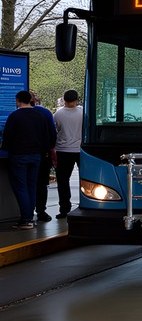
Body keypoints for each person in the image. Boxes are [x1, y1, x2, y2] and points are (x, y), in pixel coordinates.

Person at [2, 90, 56, 229]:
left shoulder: (14, 116)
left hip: (19, 156)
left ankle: (26, 220)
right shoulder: (40, 115)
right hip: (36, 156)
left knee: (21, 187)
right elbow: (47, 137)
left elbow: (7, 137)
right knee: (32, 186)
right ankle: (30, 217)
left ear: (18, 100)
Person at [53, 89, 83, 219]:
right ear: (77, 99)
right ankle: (86, 204)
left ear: (64, 100)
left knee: (63, 181)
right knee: (86, 179)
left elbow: (55, 132)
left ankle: (64, 209)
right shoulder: (83, 112)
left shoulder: (57, 114)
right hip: (81, 150)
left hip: (63, 150)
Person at [31, 91, 57, 222]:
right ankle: (41, 211)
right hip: (43, 154)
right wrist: (50, 147)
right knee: (42, 184)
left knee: (26, 183)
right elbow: (53, 133)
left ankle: (27, 212)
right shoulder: (45, 112)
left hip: (21, 154)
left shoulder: (15, 113)